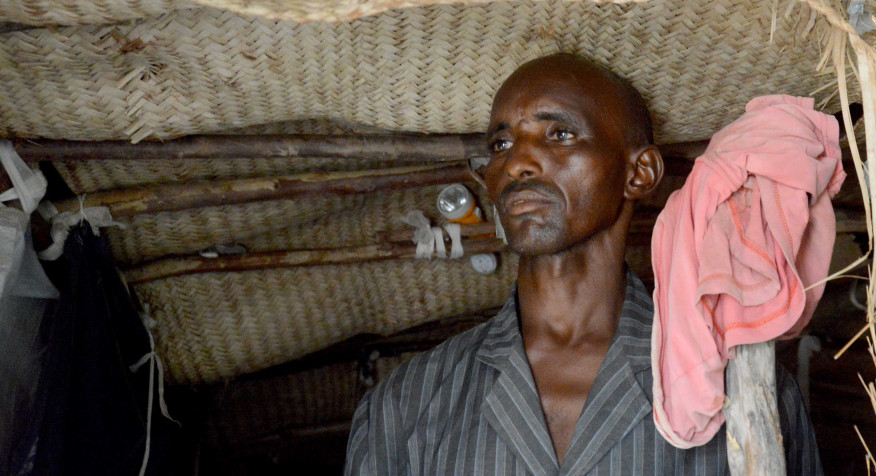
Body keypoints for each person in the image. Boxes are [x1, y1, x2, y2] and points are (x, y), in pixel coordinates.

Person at [344, 54, 823, 475]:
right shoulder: (407, 404)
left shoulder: (745, 392)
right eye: (500, 146)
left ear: (640, 173)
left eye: (561, 134)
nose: (517, 165)